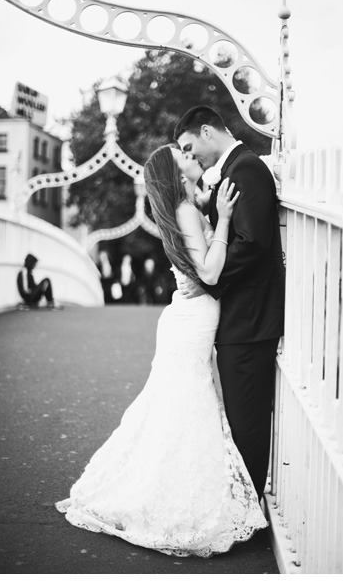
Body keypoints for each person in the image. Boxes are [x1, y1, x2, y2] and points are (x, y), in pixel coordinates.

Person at [56, 145, 268, 556]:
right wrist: (222, 221)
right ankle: (171, 498)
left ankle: (166, 488)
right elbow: (208, 271)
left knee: (176, 407)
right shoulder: (186, 212)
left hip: (185, 317)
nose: (189, 154)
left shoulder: (183, 208)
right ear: (176, 172)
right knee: (187, 407)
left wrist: (209, 209)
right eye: (181, 154)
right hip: (193, 318)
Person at [174, 106, 286, 497]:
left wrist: (209, 280)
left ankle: (250, 509)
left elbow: (252, 242)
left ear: (207, 132)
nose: (191, 158)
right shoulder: (234, 170)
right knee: (242, 419)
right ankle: (246, 504)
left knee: (248, 423)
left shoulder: (246, 169)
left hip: (250, 320)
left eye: (190, 147)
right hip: (242, 318)